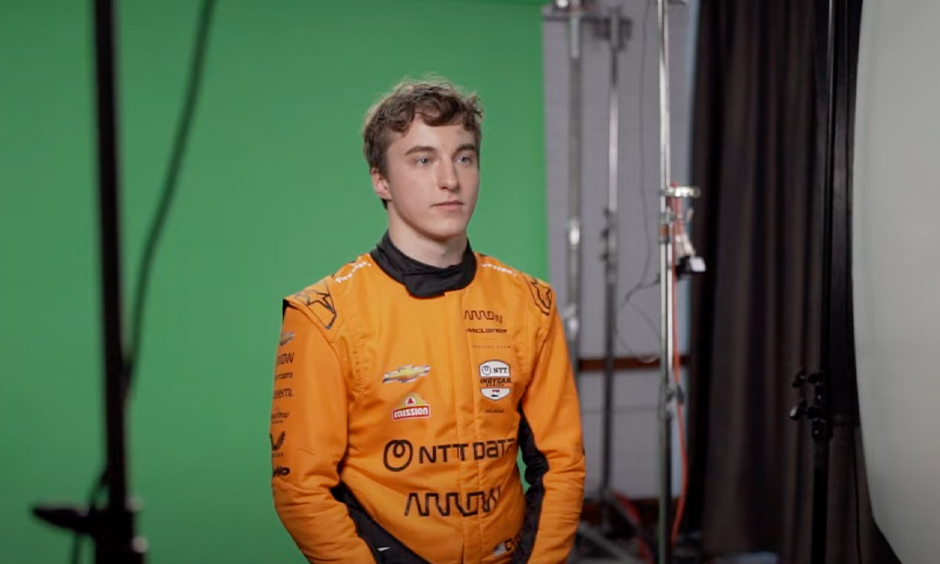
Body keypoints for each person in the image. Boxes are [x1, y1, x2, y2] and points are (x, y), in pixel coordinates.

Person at [269, 78, 586, 563]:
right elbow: (302, 489)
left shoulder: (530, 304)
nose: (449, 179)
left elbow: (561, 465)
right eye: (422, 160)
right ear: (381, 180)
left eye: (464, 157)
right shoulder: (324, 315)